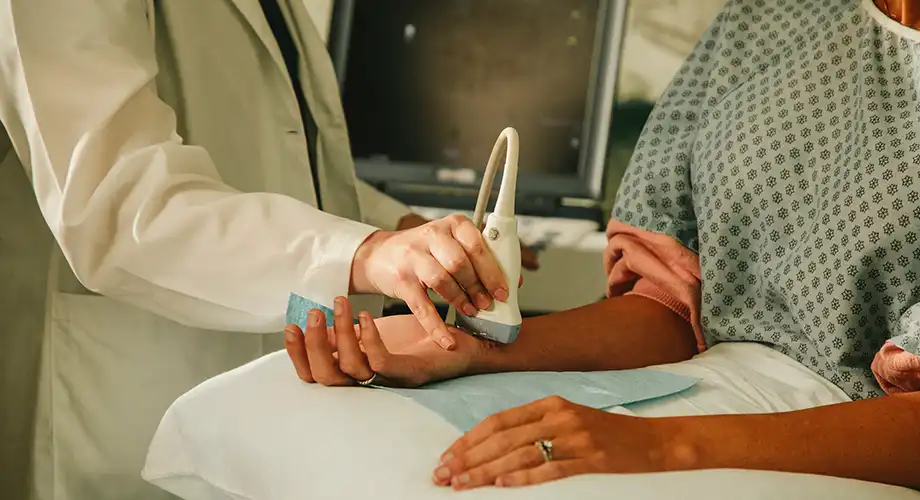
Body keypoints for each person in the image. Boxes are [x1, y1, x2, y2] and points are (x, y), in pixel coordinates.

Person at [286, 0, 920, 496]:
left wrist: (658, 447)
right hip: (700, 387)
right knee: (312, 428)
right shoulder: (770, 19)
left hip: (863, 445)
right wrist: (470, 350)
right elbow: (666, 304)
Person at [0, 1, 538, 499]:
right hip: (132, 386)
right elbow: (118, 201)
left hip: (279, 394)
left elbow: (281, 146)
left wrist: (395, 225)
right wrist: (365, 252)